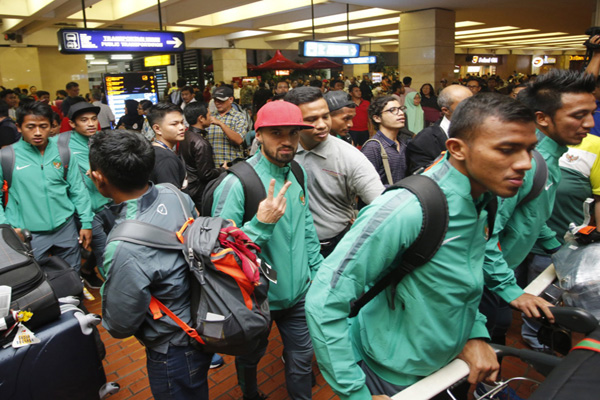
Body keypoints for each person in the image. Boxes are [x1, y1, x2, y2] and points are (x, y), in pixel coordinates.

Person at [305, 93, 541, 399]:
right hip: (395, 373)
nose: (525, 163)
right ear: (457, 149)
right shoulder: (407, 209)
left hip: (445, 361)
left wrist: (474, 333)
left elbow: (460, 283)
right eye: (506, 150)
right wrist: (354, 393)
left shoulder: (484, 196)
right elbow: (325, 300)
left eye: (530, 149)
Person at [210, 100, 323, 400]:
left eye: (293, 133)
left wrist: (317, 272)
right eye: (276, 133)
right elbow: (218, 252)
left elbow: (306, 226)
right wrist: (261, 225)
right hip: (256, 299)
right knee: (250, 357)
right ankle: (250, 394)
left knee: (301, 359)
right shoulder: (237, 183)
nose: (287, 141)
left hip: (299, 293)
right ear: (257, 135)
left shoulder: (297, 172)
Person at [90, 130, 212, 400]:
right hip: (202, 319)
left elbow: (120, 325)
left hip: (173, 347)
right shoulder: (174, 194)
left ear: (98, 178)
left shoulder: (123, 245)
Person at [481, 70, 596, 354]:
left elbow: (533, 215)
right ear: (542, 118)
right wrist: (511, 290)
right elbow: (485, 236)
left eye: (591, 113)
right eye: (578, 115)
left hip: (496, 278)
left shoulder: (551, 157)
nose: (590, 124)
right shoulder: (526, 164)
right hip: (484, 279)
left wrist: (559, 250)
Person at [286, 87, 383, 257]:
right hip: (289, 245)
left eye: (325, 116)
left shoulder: (350, 156)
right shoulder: (281, 151)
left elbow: (381, 205)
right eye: (311, 119)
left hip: (333, 246)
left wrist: (361, 226)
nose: (322, 125)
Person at [0, 101, 93, 272]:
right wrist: (8, 229)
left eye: (43, 126)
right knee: (38, 281)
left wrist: (86, 222)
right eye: (30, 127)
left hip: (65, 227)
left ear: (51, 127)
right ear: (18, 127)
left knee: (72, 275)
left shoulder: (64, 153)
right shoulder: (6, 157)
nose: (37, 132)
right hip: (28, 233)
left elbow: (78, 189)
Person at [64, 102, 112, 287]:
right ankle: (113, 293)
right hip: (86, 210)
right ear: (72, 124)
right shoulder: (62, 144)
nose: (91, 123)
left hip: (108, 202)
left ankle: (87, 269)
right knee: (104, 252)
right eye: (84, 120)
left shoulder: (102, 140)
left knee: (112, 245)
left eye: (93, 119)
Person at [406, 84, 473, 173]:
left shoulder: (481, 131)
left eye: (473, 103)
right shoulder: (424, 139)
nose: (472, 109)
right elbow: (424, 177)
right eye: (465, 105)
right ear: (446, 110)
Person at [180, 101, 224, 209]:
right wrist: (222, 169)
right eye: (209, 115)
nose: (210, 118)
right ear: (201, 118)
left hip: (189, 187)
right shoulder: (201, 143)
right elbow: (206, 174)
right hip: (199, 191)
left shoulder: (186, 134)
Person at [361, 96, 410, 185]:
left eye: (401, 109)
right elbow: (365, 185)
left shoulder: (403, 143)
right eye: (393, 110)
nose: (401, 113)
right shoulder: (373, 147)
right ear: (377, 118)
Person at [147, 102, 187, 188]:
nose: (182, 127)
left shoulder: (154, 150)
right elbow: (170, 196)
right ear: (157, 129)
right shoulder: (166, 158)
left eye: (182, 122)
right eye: (174, 124)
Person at [206, 86, 246, 166]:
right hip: (213, 167)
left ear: (231, 99)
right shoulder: (210, 116)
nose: (217, 103)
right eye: (215, 100)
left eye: (221, 100)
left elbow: (239, 140)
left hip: (232, 166)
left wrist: (221, 124)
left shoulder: (239, 117)